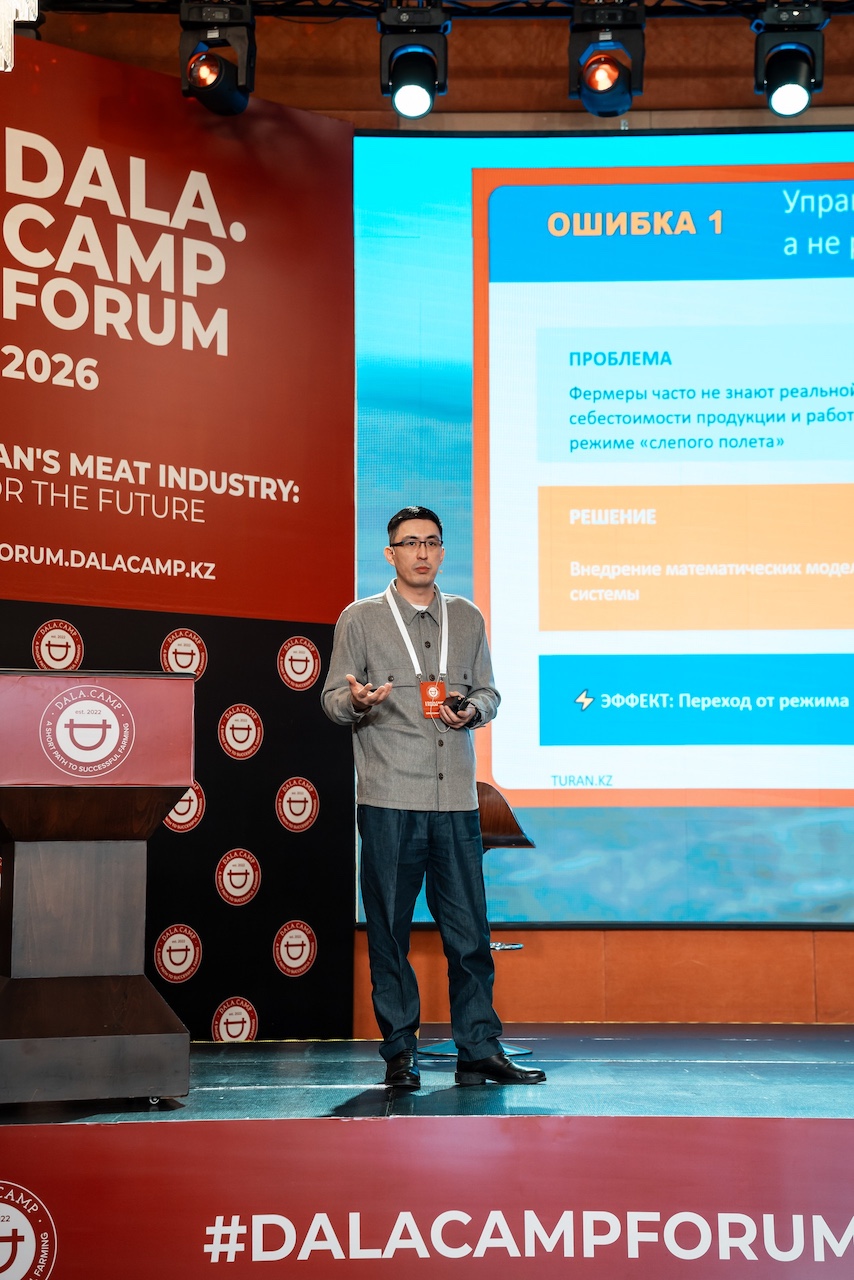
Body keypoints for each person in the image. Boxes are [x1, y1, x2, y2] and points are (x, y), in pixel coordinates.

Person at [321, 505, 546, 1089]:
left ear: (443, 553)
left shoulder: (466, 617)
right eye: (409, 543)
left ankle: (479, 1049)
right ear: (390, 554)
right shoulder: (360, 619)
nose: (421, 552)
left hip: (456, 806)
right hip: (390, 799)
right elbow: (332, 699)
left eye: (431, 543)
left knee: (469, 936)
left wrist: (473, 710)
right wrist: (357, 701)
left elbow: (490, 692)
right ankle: (401, 1052)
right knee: (389, 933)